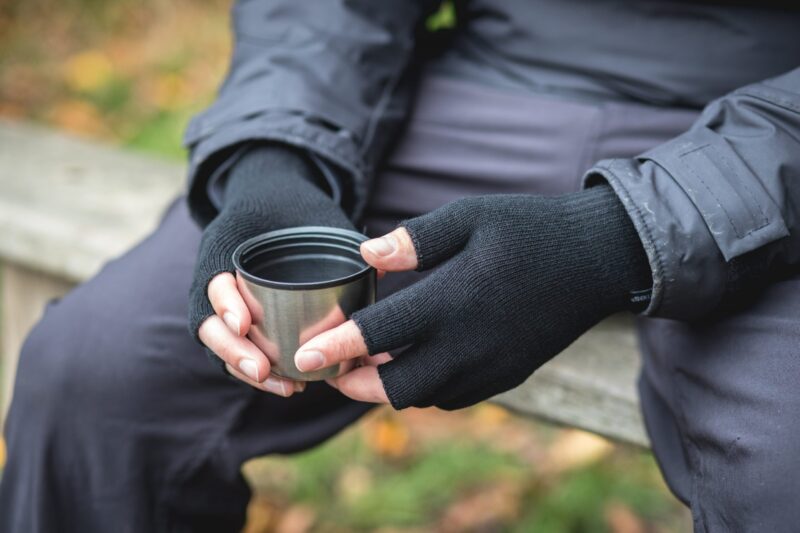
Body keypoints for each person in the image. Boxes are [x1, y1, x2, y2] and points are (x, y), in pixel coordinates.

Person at [1, 0, 799, 531]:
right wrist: (274, 157)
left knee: (785, 467)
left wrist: (615, 238)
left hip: (772, 139)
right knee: (93, 372)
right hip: (485, 91)